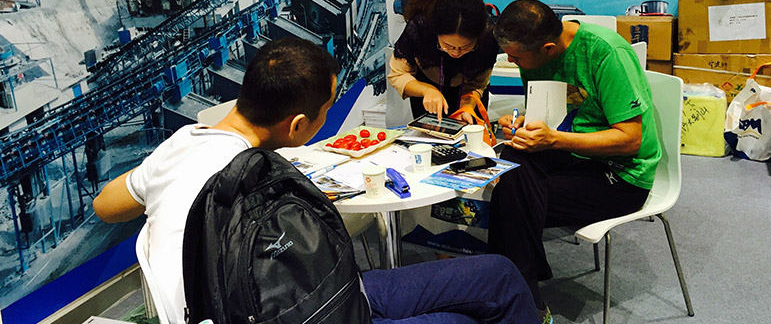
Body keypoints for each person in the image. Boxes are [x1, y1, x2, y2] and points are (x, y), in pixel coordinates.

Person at [94, 37, 538, 324]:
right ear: (298, 126)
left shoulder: (180, 145)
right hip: (303, 308)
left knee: (495, 277)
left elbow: (106, 206)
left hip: (295, 296)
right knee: (474, 307)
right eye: (326, 111)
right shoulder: (266, 184)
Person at [486, 0, 661, 301]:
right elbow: (552, 116)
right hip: (575, 154)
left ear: (548, 49)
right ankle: (519, 289)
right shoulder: (535, 54)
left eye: (516, 57)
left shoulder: (606, 53)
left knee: (511, 200)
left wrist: (553, 140)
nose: (510, 62)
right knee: (514, 155)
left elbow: (630, 139)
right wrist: (525, 124)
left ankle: (517, 297)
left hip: (623, 173)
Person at [389, 0, 498, 122]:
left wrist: (467, 106)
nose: (456, 53)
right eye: (447, 46)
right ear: (435, 33)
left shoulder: (488, 37)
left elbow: (478, 84)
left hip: (468, 101)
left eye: (465, 47)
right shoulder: (420, 29)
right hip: (427, 99)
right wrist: (426, 90)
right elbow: (398, 74)